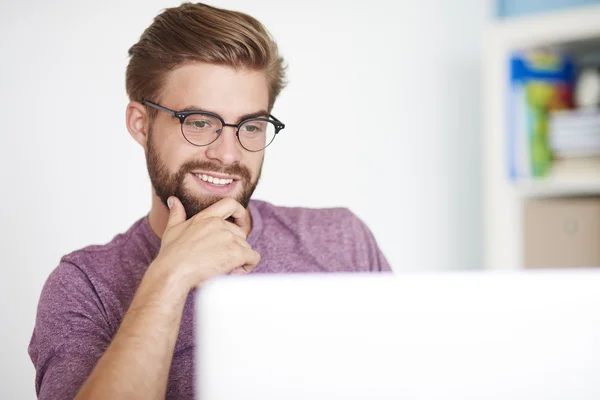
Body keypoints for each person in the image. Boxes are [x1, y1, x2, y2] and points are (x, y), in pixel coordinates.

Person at [28, 2, 391, 399]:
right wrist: (170, 277)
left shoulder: (342, 241)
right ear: (140, 123)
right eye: (200, 122)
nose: (228, 154)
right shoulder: (85, 286)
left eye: (251, 126)